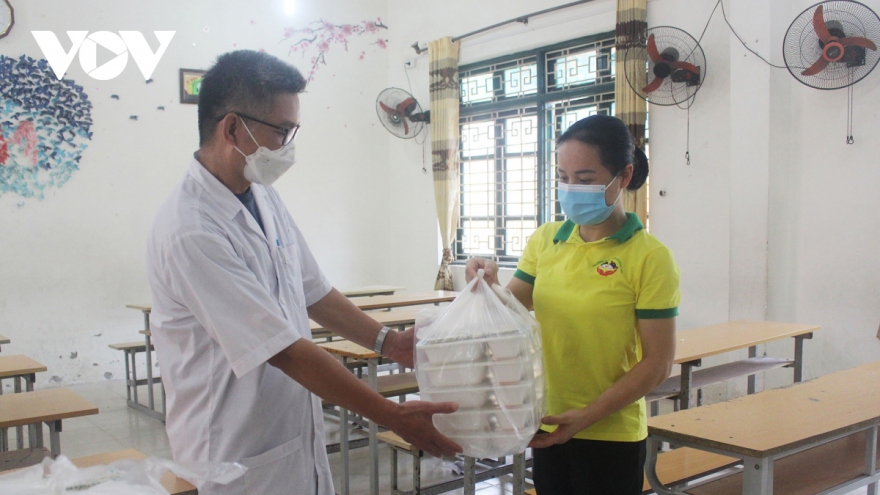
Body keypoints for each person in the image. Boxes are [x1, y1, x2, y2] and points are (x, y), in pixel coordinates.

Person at [146, 50, 461, 495]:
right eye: (281, 130)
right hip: (231, 449)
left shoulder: (261, 195)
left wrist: (389, 343)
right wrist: (391, 414)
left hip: (288, 434)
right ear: (232, 128)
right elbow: (284, 351)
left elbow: (313, 291)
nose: (288, 146)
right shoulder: (190, 229)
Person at [466, 114, 680, 495]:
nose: (571, 189)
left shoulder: (649, 257)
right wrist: (486, 283)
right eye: (563, 178)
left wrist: (584, 418)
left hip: (610, 432)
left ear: (624, 177)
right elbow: (510, 310)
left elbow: (658, 362)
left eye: (584, 179)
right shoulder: (548, 240)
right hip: (548, 422)